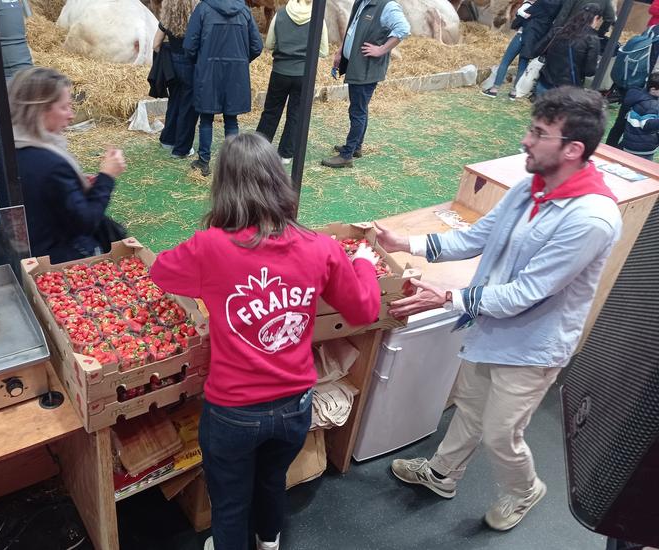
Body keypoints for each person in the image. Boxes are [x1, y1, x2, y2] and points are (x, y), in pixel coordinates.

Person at [376, 86, 622, 532]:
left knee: (499, 433)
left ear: (573, 149)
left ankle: (525, 490)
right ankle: (443, 474)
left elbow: (527, 293)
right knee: (469, 407)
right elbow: (476, 236)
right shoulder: (533, 185)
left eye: (538, 132)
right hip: (490, 325)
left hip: (533, 346)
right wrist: (405, 242)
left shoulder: (591, 218)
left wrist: (449, 297)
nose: (525, 140)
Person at [150, 132, 380, 550]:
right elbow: (364, 310)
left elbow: (162, 272)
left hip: (233, 410)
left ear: (223, 188)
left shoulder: (209, 247)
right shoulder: (321, 247)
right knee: (273, 480)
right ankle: (269, 540)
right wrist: (361, 263)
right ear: (280, 181)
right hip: (295, 405)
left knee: (230, 499)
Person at [6, 67, 126, 263]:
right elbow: (86, 222)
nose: (71, 115)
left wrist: (74, 186)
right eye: (64, 107)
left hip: (19, 250)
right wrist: (106, 176)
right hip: (53, 260)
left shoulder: (11, 147)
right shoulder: (50, 163)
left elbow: (41, 196)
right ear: (39, 111)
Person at [322, 0, 410, 168]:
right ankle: (357, 146)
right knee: (360, 108)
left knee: (357, 111)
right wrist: (341, 51)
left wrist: (382, 49)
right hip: (357, 65)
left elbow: (404, 29)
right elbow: (352, 29)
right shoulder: (362, 2)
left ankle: (347, 155)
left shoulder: (387, 6)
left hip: (366, 70)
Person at [184, 0, 263, 176]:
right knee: (231, 119)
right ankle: (232, 164)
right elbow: (257, 46)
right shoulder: (244, 11)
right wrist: (241, 60)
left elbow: (189, 45)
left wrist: (200, 61)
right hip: (236, 74)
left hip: (208, 72)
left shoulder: (203, 8)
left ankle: (203, 161)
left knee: (206, 118)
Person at [255, 0, 328, 163]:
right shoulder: (318, 18)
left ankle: (259, 150)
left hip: (280, 72)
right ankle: (286, 154)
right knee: (296, 114)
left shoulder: (280, 14)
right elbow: (323, 51)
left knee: (270, 112)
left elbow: (269, 44)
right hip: (304, 75)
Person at [154, 0, 199, 159]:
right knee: (189, 106)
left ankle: (167, 140)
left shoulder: (166, 18)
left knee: (174, 101)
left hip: (172, 66)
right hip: (190, 64)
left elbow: (156, 45)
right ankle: (182, 149)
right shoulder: (198, 18)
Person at [534, 3, 601, 95]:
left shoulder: (558, 31)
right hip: (568, 91)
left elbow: (537, 50)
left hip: (545, 82)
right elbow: (589, 71)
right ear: (596, 18)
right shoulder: (592, 39)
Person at [619, 72, 659, 161]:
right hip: (642, 148)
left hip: (630, 143)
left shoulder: (640, 97)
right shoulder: (651, 104)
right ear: (653, 89)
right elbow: (646, 124)